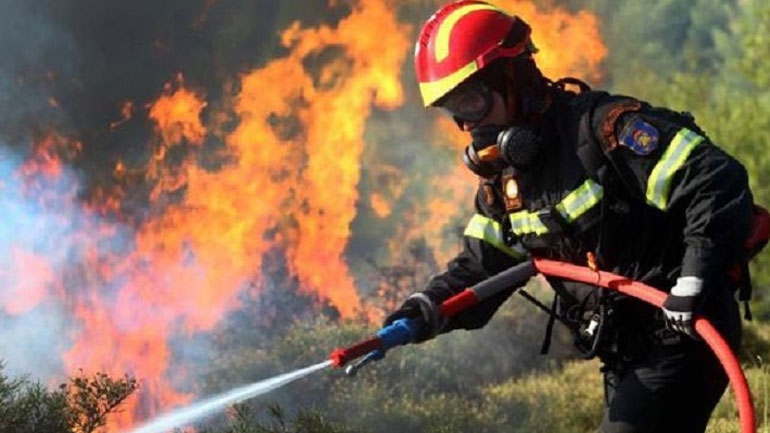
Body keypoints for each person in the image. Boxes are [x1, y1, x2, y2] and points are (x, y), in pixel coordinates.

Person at [384, 1, 767, 432]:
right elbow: (483, 264)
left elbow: (715, 180)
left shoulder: (605, 131)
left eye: (472, 102)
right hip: (624, 350)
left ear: (514, 79)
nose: (469, 127)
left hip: (684, 331)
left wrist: (693, 281)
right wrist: (422, 312)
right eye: (455, 111)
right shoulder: (507, 183)